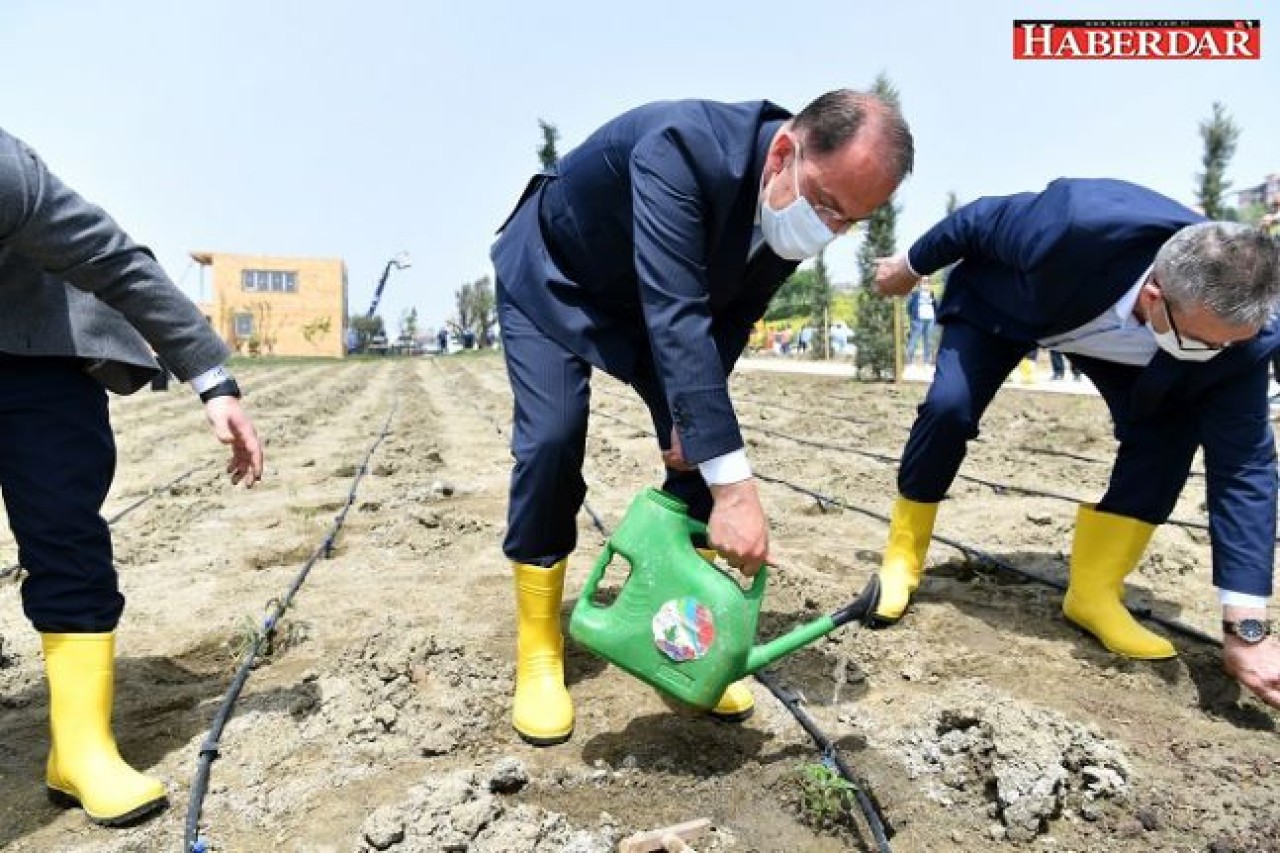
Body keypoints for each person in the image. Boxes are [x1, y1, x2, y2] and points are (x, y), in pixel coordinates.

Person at [491, 91, 914, 745]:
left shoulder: (789, 207)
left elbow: (733, 315)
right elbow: (679, 313)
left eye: (848, 221)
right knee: (552, 437)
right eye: (828, 205)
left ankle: (676, 635)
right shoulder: (681, 148)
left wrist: (699, 423)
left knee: (696, 457)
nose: (828, 230)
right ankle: (540, 648)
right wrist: (736, 486)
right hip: (556, 277)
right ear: (783, 151)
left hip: (652, 306)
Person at [870, 177, 1280, 709]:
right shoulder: (1073, 225)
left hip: (1129, 350)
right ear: (1156, 296)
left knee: (1168, 436)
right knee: (950, 407)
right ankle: (903, 556)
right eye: (1206, 342)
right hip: (1010, 308)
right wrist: (909, 266)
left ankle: (1093, 592)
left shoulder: (1242, 335)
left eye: (1230, 344)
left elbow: (1246, 467)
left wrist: (1246, 626)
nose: (1219, 353)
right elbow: (975, 218)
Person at [0, 127, 264, 825]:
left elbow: (115, 262)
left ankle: (81, 747)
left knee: (62, 523)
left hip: (35, 334)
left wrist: (214, 381)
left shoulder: (6, 174)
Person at [904, 279, 937, 366]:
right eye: (924, 282)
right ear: (919, 283)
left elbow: (935, 306)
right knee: (914, 340)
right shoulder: (915, 294)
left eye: (927, 282)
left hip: (930, 319)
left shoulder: (931, 294)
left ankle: (926, 362)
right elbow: (909, 307)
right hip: (918, 320)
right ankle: (909, 362)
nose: (925, 284)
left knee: (928, 341)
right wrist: (912, 318)